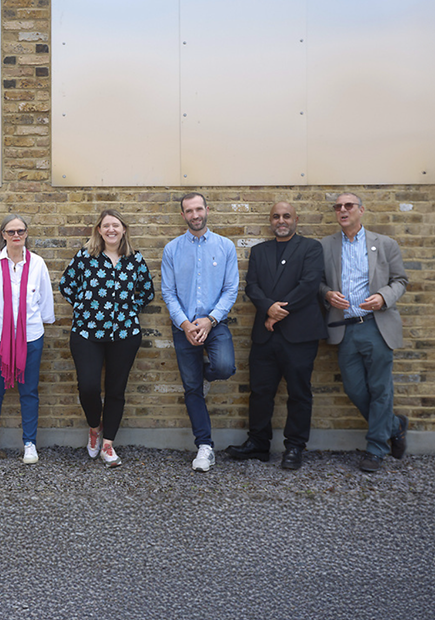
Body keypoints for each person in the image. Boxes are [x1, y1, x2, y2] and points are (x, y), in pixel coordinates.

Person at [227, 201, 325, 470]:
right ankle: (258, 443)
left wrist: (277, 311)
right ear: (270, 221)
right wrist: (267, 308)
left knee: (299, 393)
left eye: (286, 216)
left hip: (300, 335)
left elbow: (309, 285)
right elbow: (253, 286)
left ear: (295, 219)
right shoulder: (259, 251)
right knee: (259, 392)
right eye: (276, 216)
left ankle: (294, 446)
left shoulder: (311, 248)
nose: (281, 221)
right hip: (265, 336)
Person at [58, 209, 155, 468]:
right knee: (88, 386)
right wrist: (83, 306)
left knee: (116, 390)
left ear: (123, 229)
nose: (111, 230)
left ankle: (108, 445)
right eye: (106, 226)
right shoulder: (86, 256)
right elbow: (66, 285)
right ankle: (94, 427)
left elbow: (147, 291)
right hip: (87, 332)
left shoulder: (135, 260)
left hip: (124, 334)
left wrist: (128, 309)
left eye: (116, 225)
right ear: (99, 230)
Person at [320, 193, 409, 473]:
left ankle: (376, 448)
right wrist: (327, 294)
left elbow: (400, 280)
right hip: (345, 328)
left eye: (348, 206)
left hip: (376, 325)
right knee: (355, 388)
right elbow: (318, 282)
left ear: (361, 210)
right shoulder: (325, 246)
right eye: (338, 207)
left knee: (380, 389)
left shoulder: (385, 244)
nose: (343, 210)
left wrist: (383, 297)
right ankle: (394, 426)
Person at [161, 192, 238, 472]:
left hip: (215, 324)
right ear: (183, 215)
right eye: (189, 211)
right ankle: (204, 446)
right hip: (183, 327)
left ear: (207, 210)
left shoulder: (225, 246)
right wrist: (185, 324)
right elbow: (168, 292)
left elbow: (231, 289)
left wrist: (210, 320)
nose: (195, 215)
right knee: (191, 388)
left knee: (225, 367)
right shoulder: (172, 249)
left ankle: (205, 375)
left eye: (198, 209)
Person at [0, 215, 55, 465]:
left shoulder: (38, 263)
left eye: (20, 231)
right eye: (11, 231)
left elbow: (44, 298)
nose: (16, 235)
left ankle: (29, 444)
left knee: (29, 391)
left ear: (27, 233)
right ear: (3, 235)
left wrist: (42, 322)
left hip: (30, 335)